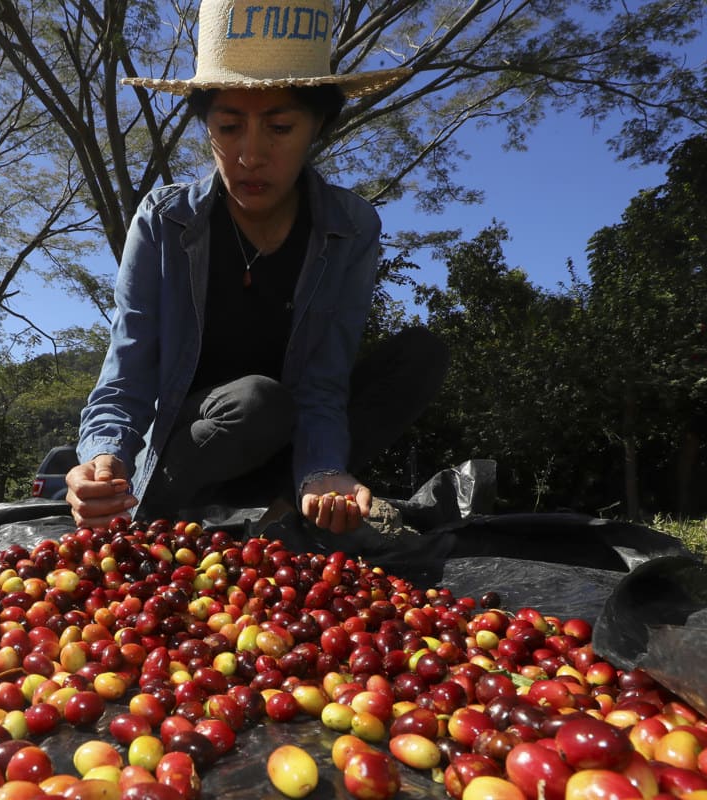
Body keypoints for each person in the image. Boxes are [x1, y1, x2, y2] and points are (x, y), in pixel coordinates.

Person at [67, 0, 447, 532]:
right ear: (207, 127)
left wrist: (320, 468)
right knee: (256, 401)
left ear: (317, 126)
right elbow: (127, 371)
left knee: (419, 356)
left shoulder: (351, 227)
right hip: (194, 453)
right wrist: (105, 460)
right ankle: (165, 514)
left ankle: (296, 508)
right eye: (228, 127)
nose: (250, 154)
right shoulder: (163, 221)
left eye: (280, 127)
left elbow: (324, 379)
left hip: (288, 455)